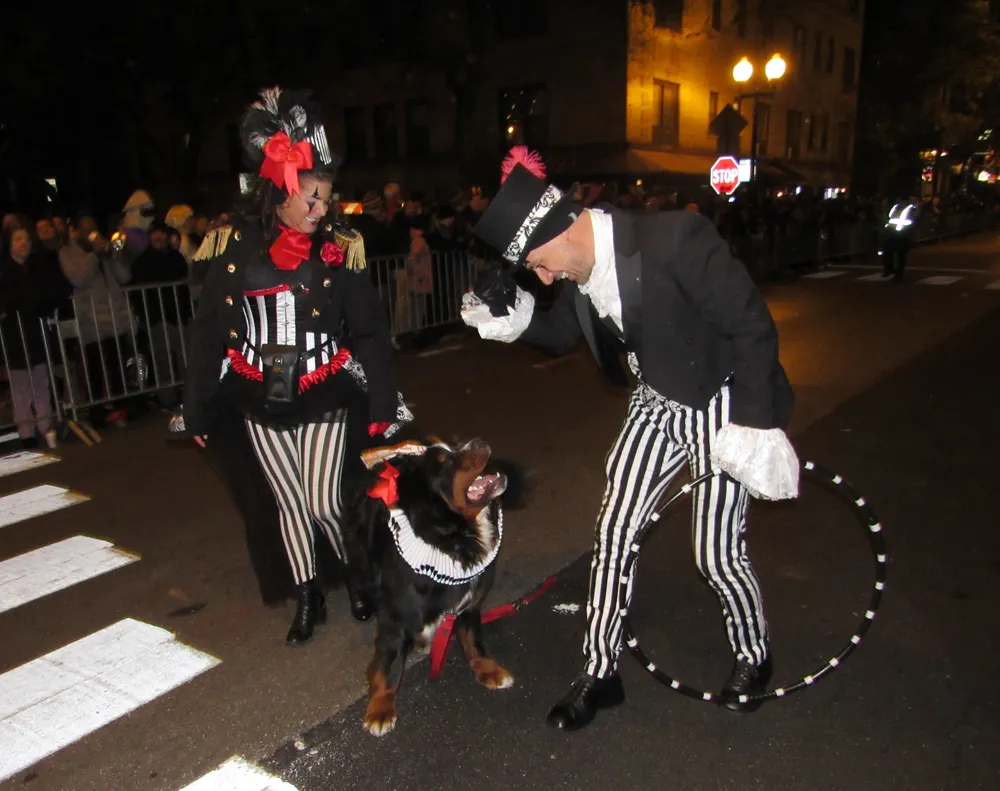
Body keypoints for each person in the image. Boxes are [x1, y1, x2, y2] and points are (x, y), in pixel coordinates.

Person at [461, 147, 799, 731]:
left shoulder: (675, 238)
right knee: (614, 532)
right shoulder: (582, 270)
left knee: (716, 553)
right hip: (655, 404)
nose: (544, 277)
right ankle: (600, 672)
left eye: (541, 263)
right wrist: (507, 315)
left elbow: (751, 324)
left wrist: (755, 422)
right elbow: (558, 333)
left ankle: (753, 652)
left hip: (720, 404)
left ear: (563, 227)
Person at [180, 87, 411, 645]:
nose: (321, 211)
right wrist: (197, 408)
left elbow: (369, 331)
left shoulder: (341, 247)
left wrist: (383, 400)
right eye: (311, 199)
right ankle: (308, 595)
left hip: (323, 387)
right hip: (256, 392)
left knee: (325, 501)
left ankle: (358, 574)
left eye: (325, 200)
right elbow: (208, 333)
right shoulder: (232, 245)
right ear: (279, 191)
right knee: (286, 502)